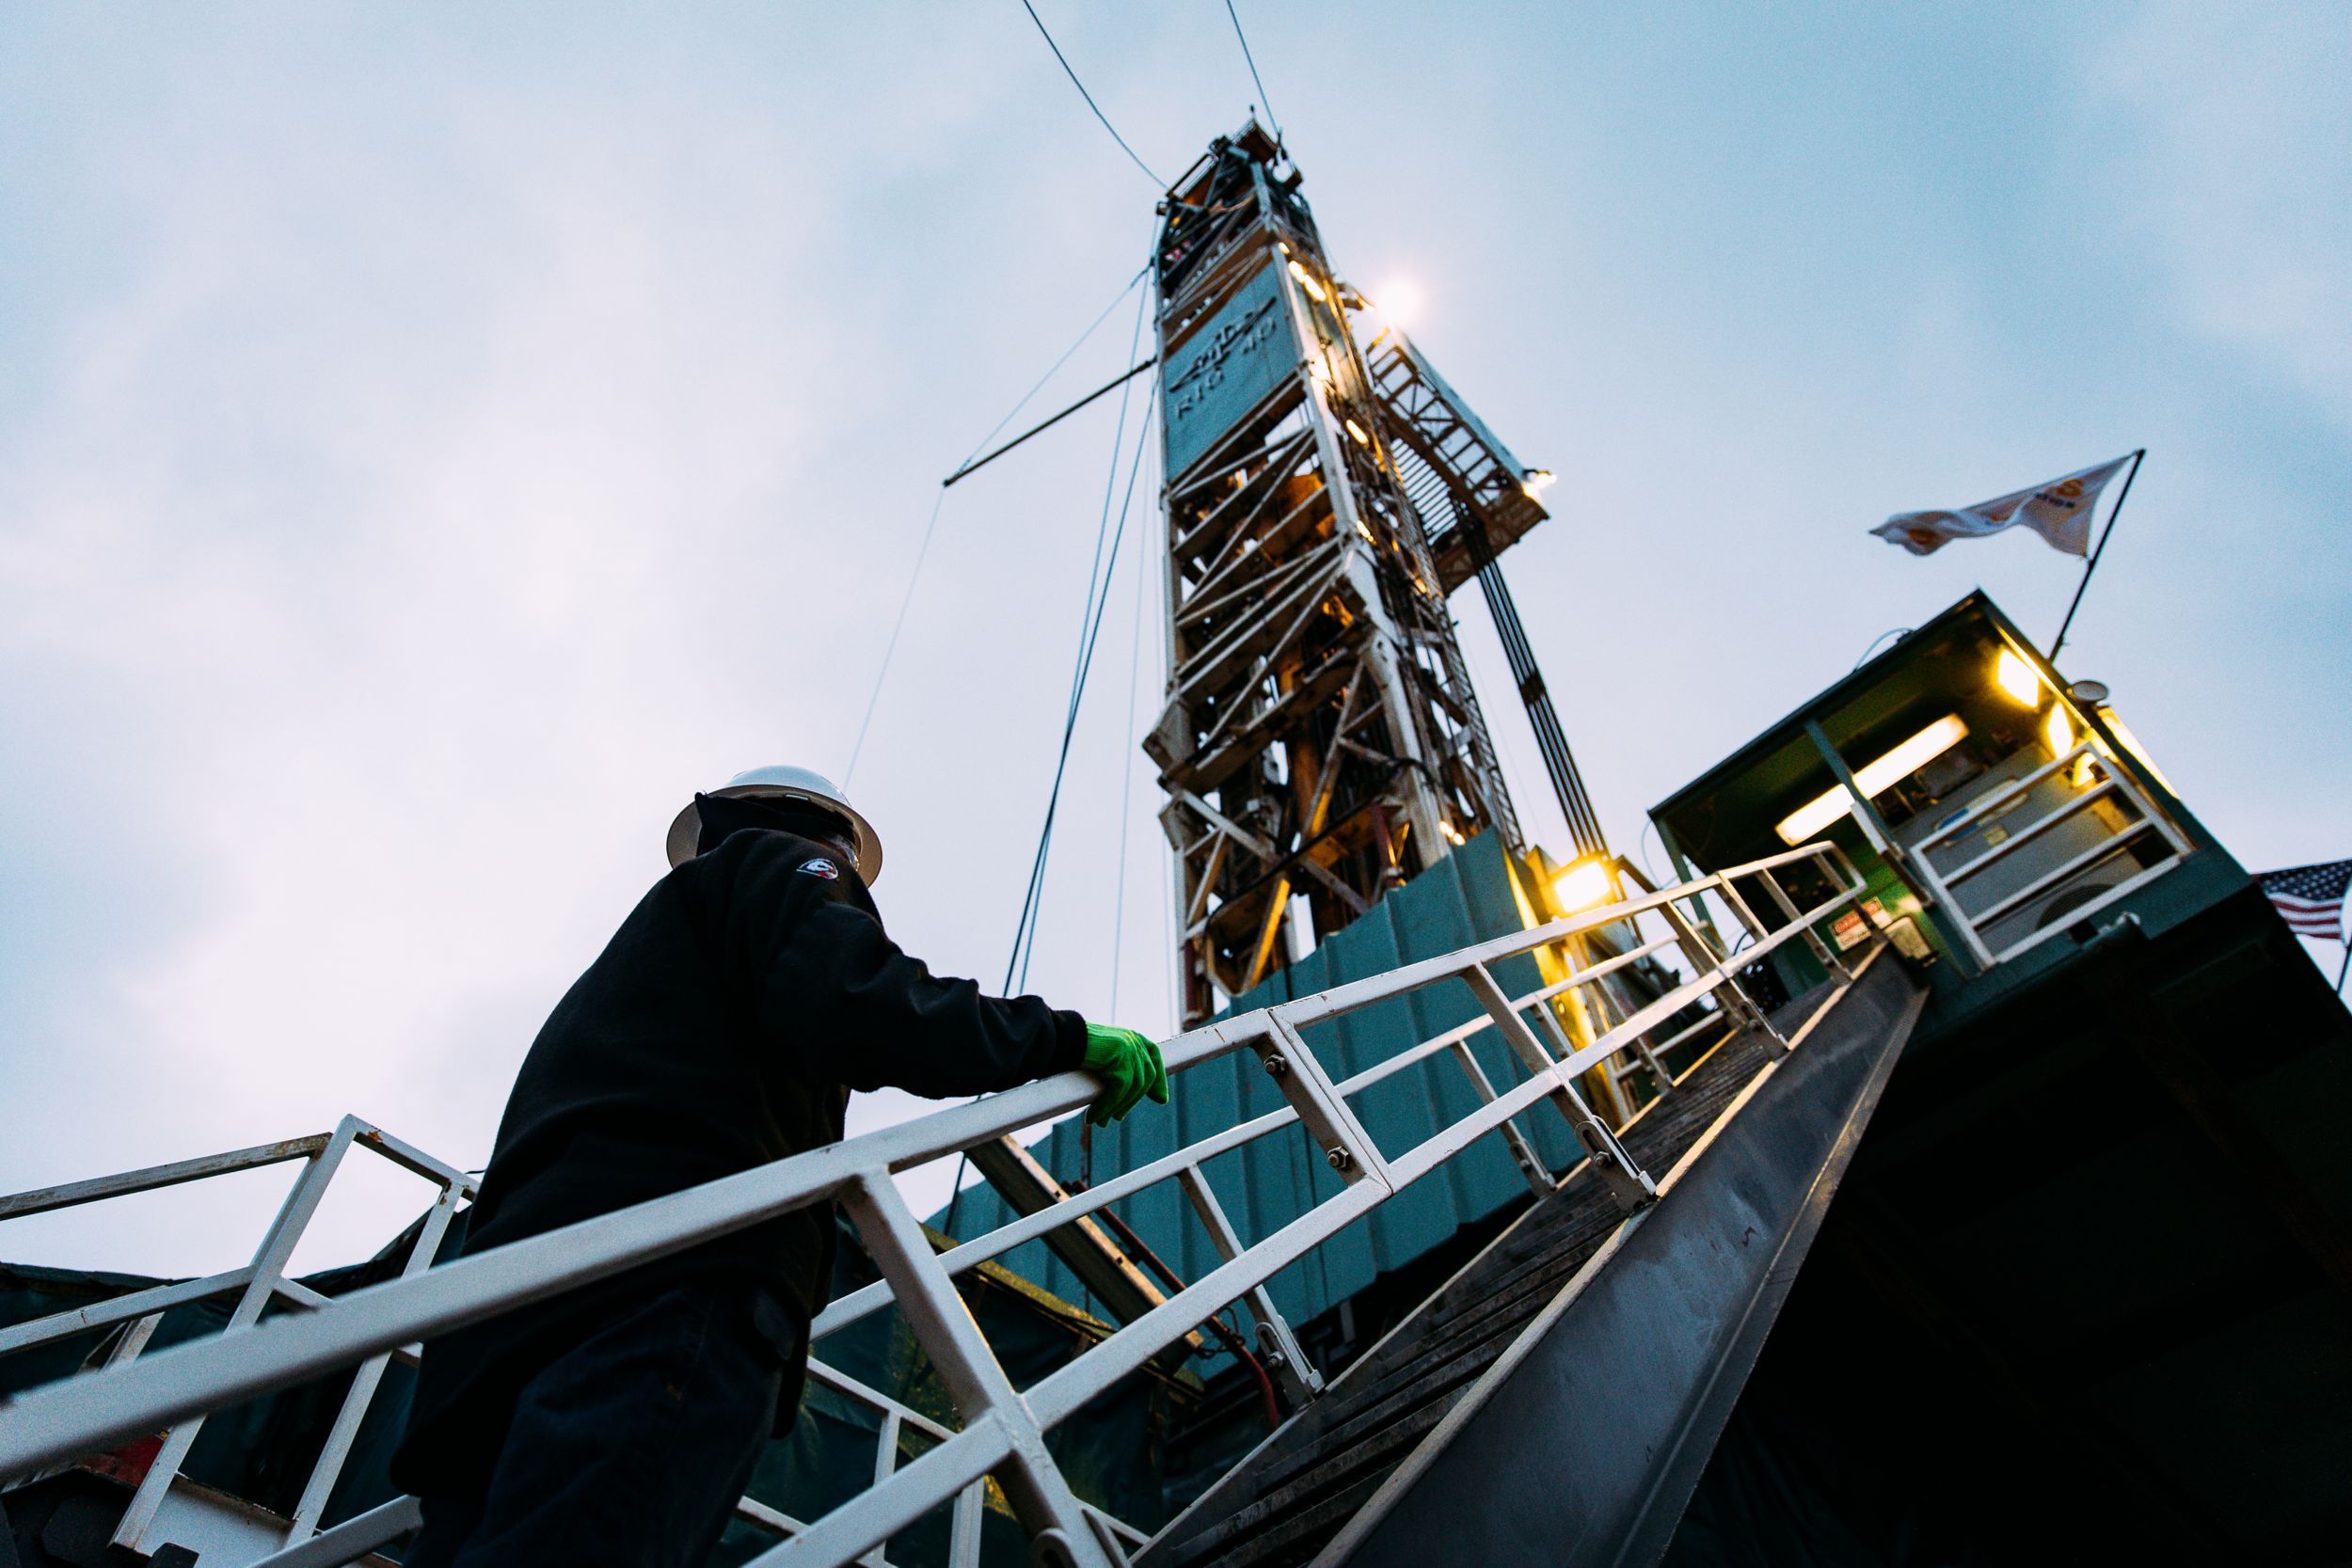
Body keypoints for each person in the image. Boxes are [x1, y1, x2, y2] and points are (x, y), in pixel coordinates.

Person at [389, 765, 1168, 1568]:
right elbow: (867, 1001)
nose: (851, 886)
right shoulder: (782, 863)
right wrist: (1065, 1039)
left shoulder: (639, 973)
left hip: (502, 1329)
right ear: (823, 834)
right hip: (671, 1288)